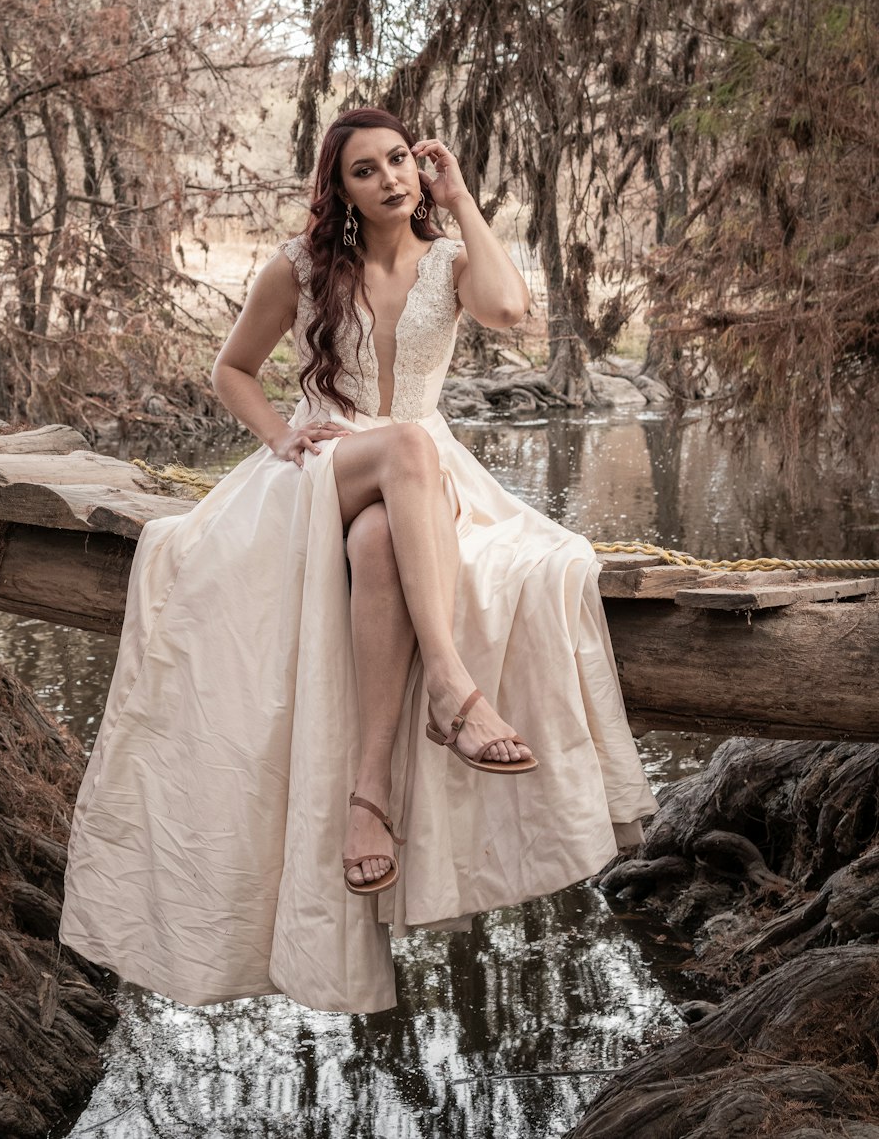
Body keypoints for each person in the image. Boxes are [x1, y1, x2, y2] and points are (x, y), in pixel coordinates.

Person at [59, 106, 658, 1015]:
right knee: (406, 449)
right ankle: (454, 690)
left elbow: (510, 310)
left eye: (399, 164)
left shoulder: (452, 260)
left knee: (387, 529)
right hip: (322, 468)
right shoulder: (300, 268)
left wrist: (463, 202)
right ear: (338, 191)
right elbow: (233, 369)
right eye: (366, 171)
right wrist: (279, 439)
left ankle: (366, 799)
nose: (390, 180)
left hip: (412, 484)